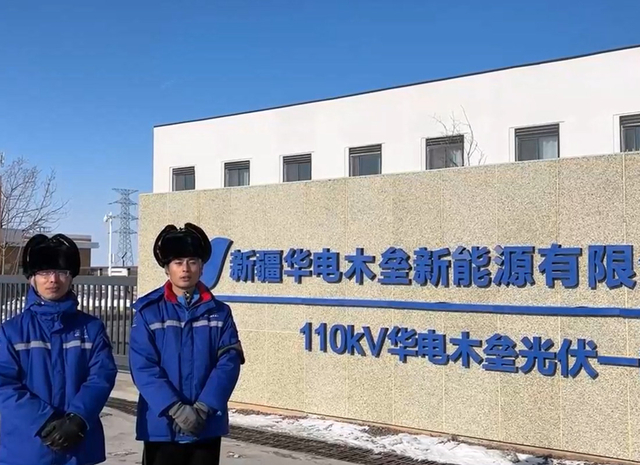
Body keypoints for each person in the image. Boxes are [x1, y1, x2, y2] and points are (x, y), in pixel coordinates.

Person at [129, 222, 244, 465]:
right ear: (167, 268)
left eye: (192, 261)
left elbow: (229, 363)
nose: (185, 269)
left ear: (201, 267)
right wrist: (175, 408)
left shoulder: (220, 313)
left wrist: (204, 407)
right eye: (177, 262)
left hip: (206, 424)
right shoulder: (149, 312)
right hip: (162, 425)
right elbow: (143, 367)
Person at [0, 233, 118, 465]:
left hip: (79, 448)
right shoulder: (11, 332)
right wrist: (43, 421)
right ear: (32, 278)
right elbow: (4, 384)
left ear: (71, 277)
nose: (53, 279)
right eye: (44, 272)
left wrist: (78, 418)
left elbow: (101, 376)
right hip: (27, 449)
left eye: (61, 272)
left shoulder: (91, 329)